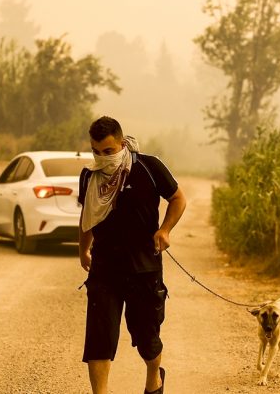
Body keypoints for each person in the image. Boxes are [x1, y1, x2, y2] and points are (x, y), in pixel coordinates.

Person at [78, 116, 186, 394]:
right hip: (105, 268)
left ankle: (154, 374)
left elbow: (178, 198)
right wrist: (83, 249)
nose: (102, 158)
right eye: (96, 152)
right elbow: (88, 216)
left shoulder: (148, 167)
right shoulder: (90, 176)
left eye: (108, 151)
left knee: (146, 337)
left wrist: (165, 230)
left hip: (144, 267)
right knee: (99, 337)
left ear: (122, 144)